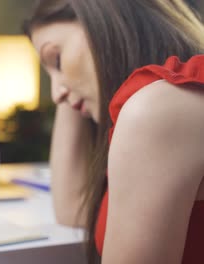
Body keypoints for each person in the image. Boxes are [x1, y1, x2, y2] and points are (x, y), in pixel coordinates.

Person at [22, 0, 204, 263]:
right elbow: (74, 209)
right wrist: (72, 83)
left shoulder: (158, 110)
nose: (55, 94)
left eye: (57, 59)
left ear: (105, 22)